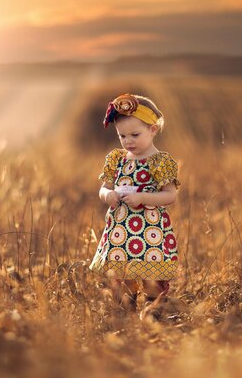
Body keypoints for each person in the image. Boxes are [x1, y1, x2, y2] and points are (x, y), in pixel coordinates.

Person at [89, 93, 180, 317]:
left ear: (153, 129)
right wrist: (107, 195)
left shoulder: (160, 162)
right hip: (121, 233)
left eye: (135, 135)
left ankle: (154, 313)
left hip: (149, 233)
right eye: (122, 136)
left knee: (152, 278)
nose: (128, 141)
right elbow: (103, 188)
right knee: (122, 280)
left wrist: (143, 198)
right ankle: (124, 314)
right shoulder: (117, 159)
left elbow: (170, 196)